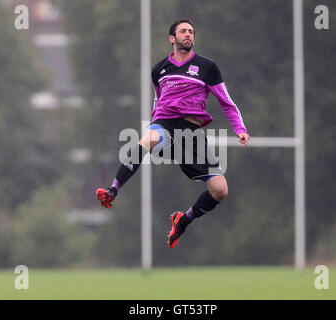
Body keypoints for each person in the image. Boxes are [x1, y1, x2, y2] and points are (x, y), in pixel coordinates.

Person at [96, 18, 250, 248]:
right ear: (172, 38)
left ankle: (183, 220)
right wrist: (155, 124)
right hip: (165, 124)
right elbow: (159, 101)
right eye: (183, 31)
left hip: (191, 133)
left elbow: (226, 102)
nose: (188, 35)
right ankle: (113, 190)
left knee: (220, 191)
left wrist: (240, 129)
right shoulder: (159, 69)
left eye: (191, 32)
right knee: (147, 139)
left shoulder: (207, 67)